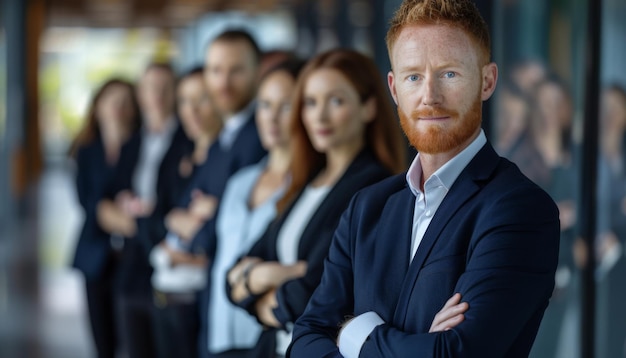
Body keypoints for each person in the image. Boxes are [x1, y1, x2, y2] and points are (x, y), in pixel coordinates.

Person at [289, 1, 560, 357]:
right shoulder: (366, 208)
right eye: (413, 76)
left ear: (487, 81)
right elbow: (305, 339)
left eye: (449, 74)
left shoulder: (520, 210)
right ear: (394, 88)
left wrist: (354, 334)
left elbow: (456, 353)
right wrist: (419, 342)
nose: (429, 97)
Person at [227, 48, 407, 358]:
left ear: (368, 107)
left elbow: (311, 294)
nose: (319, 116)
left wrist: (253, 291)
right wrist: (263, 276)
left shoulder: (373, 187)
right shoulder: (307, 181)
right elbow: (233, 275)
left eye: (335, 101)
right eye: (310, 102)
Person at [162, 29, 267, 358]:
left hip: (245, 314)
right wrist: (202, 215)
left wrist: (206, 218)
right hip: (216, 307)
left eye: (236, 70)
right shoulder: (223, 138)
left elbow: (212, 234)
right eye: (215, 70)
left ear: (257, 72)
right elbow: (182, 209)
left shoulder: (260, 137)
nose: (223, 82)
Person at [207, 58, 304, 358]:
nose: (272, 117)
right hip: (219, 337)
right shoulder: (240, 182)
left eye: (285, 106)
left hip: (266, 339)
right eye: (265, 105)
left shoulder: (306, 188)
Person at [96, 62, 187, 358]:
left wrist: (143, 217)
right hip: (132, 260)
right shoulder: (132, 142)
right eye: (150, 88)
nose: (157, 95)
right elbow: (110, 193)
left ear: (175, 93)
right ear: (141, 94)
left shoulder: (187, 140)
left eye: (165, 88)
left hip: (167, 255)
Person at [147, 66, 222, 358]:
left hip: (200, 296)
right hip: (166, 290)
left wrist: (187, 244)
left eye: (201, 99)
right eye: (184, 101)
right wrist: (174, 220)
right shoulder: (177, 155)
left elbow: (215, 230)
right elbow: (158, 216)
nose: (191, 111)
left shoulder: (227, 158)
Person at [70, 78, 141, 358]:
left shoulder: (141, 145)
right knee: (102, 339)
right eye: (112, 100)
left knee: (132, 337)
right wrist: (110, 210)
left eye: (126, 101)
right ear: (97, 107)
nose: (118, 108)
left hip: (132, 255)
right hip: (95, 254)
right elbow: (88, 202)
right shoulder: (87, 151)